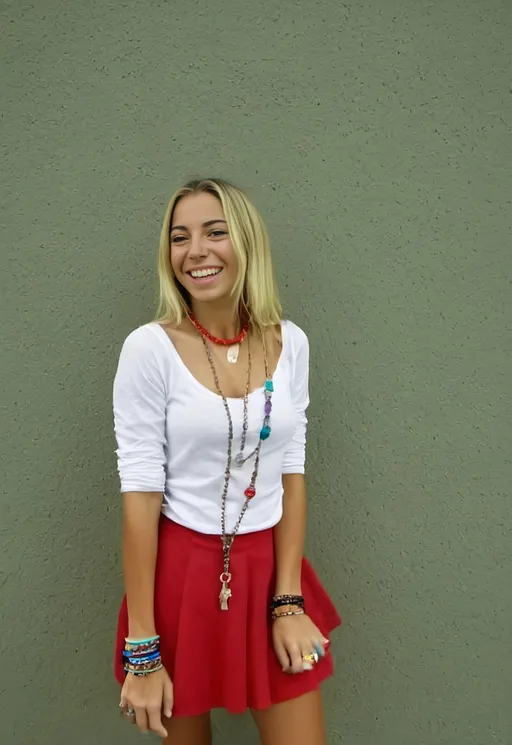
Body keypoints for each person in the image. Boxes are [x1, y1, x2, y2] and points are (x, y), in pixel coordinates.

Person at [112, 178, 341, 745]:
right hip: (180, 581)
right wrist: (143, 649)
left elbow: (291, 472)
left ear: (247, 243)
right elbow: (140, 499)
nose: (196, 251)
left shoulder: (291, 342)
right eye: (179, 237)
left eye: (216, 232)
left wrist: (288, 601)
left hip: (270, 573)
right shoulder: (149, 348)